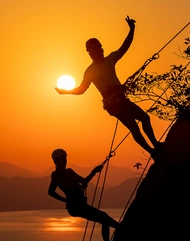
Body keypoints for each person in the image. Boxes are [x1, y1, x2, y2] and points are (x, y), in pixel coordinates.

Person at [55, 15, 161, 160]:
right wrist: (65, 92)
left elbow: (124, 47)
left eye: (98, 48)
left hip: (116, 102)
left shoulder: (106, 61)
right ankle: (154, 149)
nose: (98, 51)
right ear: (90, 52)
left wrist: (132, 30)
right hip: (114, 103)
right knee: (139, 122)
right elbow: (81, 90)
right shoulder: (91, 70)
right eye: (94, 49)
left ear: (100, 49)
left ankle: (154, 148)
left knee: (141, 121)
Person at [48, 148, 119, 241]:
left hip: (80, 205)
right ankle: (114, 237)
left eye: (65, 159)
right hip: (75, 207)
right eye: (62, 159)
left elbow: (84, 181)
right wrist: (65, 200)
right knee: (103, 216)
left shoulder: (70, 172)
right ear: (56, 162)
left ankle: (112, 240)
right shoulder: (56, 175)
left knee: (103, 218)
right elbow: (50, 192)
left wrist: (94, 171)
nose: (65, 161)